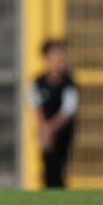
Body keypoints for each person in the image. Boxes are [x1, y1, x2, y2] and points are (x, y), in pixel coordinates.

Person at [32, 39, 78, 189]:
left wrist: (50, 129)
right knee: (47, 166)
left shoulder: (69, 84)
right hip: (45, 130)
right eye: (55, 56)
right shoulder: (37, 83)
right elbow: (36, 107)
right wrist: (44, 130)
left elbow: (67, 111)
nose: (59, 60)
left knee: (59, 167)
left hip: (62, 131)